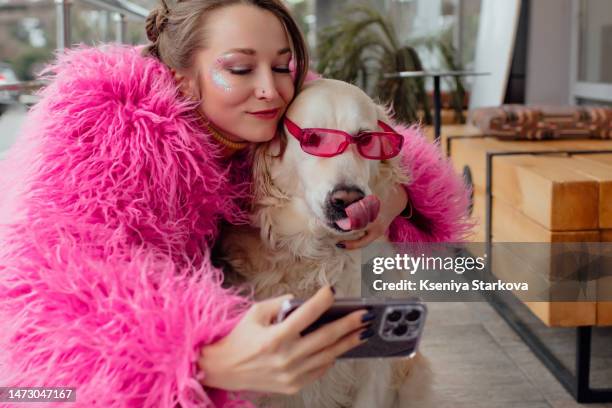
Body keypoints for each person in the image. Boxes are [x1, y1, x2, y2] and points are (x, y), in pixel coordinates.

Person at [0, 0, 471, 406]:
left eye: (283, 66)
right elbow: (44, 307)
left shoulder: (255, 117)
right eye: (240, 68)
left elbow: (371, 141)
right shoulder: (102, 138)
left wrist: (393, 194)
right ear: (180, 78)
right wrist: (202, 359)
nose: (270, 88)